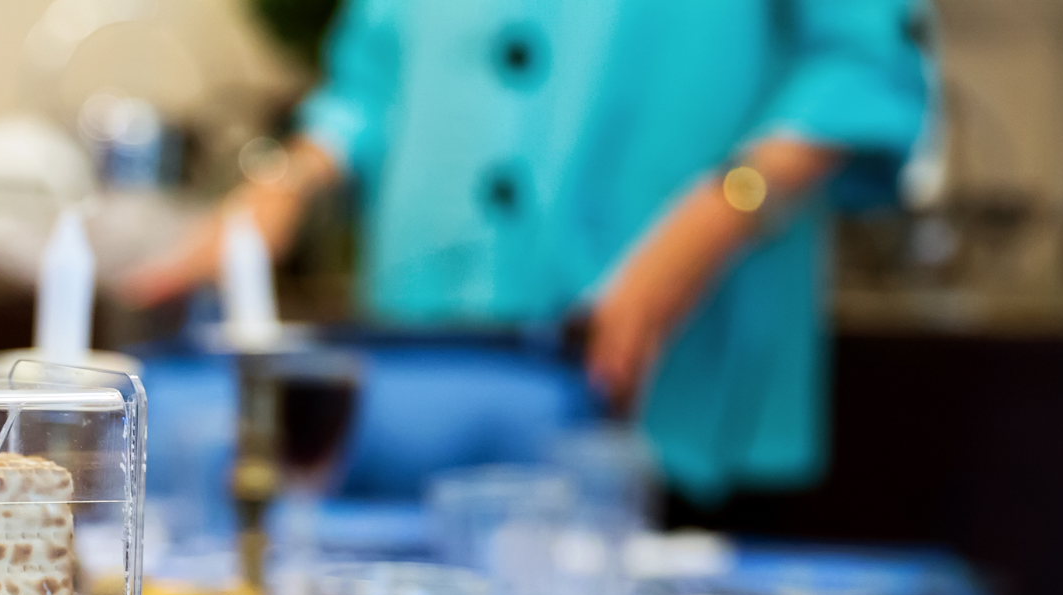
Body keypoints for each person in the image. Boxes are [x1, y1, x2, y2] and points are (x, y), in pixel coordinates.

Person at [123, 1, 931, 510]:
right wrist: (281, 191)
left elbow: (863, 64)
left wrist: (717, 213)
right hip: (431, 382)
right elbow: (371, 80)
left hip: (665, 363)